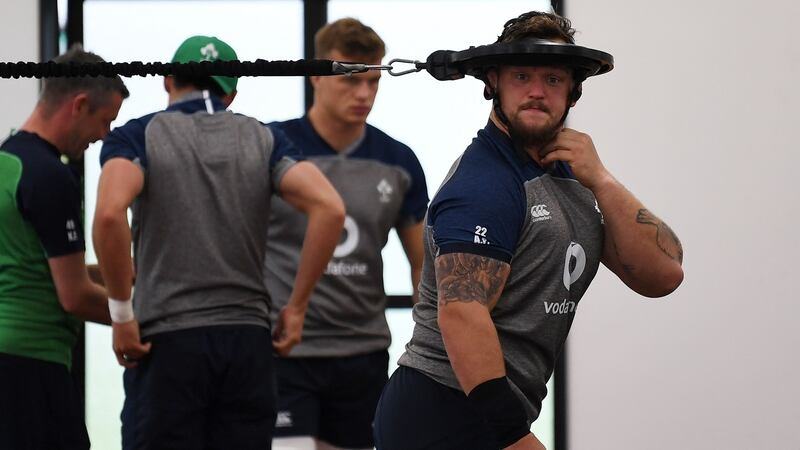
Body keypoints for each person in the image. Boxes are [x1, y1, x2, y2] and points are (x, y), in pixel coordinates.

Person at [373, 11, 685, 450]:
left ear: (573, 93)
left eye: (554, 80)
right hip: (443, 411)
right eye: (522, 76)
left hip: (489, 412)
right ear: (492, 84)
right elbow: (462, 314)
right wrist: (515, 437)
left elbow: (662, 275)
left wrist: (602, 179)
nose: (537, 92)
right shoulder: (484, 183)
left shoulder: (572, 180)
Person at [92, 35, 345, 450]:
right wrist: (296, 309)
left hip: (168, 343)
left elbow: (107, 214)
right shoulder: (263, 139)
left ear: (168, 81)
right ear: (231, 94)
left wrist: (121, 316)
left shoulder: (138, 136)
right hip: (247, 344)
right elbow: (330, 208)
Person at [265, 18, 429, 450]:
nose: (364, 94)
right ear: (317, 75)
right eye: (351, 80)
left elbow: (423, 266)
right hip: (285, 351)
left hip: (363, 353)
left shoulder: (398, 161)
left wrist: (430, 350)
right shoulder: (272, 147)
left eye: (373, 81)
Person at [0, 46, 128, 449]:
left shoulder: (9, 160)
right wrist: (144, 318)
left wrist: (125, 273)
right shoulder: (50, 176)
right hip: (32, 364)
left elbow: (35, 264)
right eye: (105, 121)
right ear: (80, 104)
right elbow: (73, 296)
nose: (105, 135)